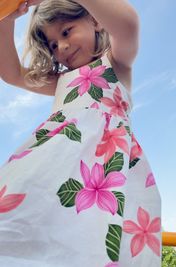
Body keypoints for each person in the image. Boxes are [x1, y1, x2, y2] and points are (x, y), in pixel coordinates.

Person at [0, 0, 161, 266]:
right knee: (21, 223)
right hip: (55, 165)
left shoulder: (115, 65)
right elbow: (12, 74)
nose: (61, 47)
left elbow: (128, 26)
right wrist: (6, 19)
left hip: (109, 176)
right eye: (52, 44)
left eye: (66, 31)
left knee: (102, 243)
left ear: (95, 21)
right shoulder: (60, 81)